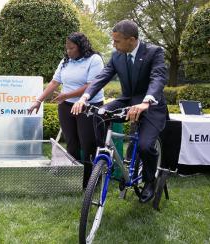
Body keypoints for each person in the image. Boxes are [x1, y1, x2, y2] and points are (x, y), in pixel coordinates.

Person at [71, 20, 167, 203]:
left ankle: (149, 182)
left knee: (145, 146)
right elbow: (102, 76)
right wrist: (84, 97)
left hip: (151, 105)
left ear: (131, 40)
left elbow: (158, 78)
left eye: (117, 41)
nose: (114, 45)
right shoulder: (116, 56)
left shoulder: (154, 52)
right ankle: (103, 155)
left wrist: (146, 102)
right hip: (127, 100)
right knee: (99, 114)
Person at [28, 32, 104, 189]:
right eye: (67, 48)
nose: (68, 51)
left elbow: (92, 85)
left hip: (88, 106)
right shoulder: (66, 61)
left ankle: (91, 181)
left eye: (72, 48)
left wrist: (67, 94)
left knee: (88, 143)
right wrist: (38, 101)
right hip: (66, 105)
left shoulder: (94, 60)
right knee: (72, 143)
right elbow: (55, 82)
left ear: (81, 47)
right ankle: (75, 176)